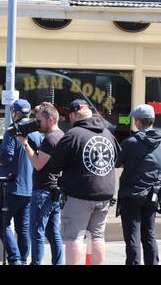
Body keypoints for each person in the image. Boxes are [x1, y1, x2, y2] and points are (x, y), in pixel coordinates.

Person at [50, 99, 120, 265]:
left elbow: (55, 165)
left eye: (69, 115)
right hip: (104, 194)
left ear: (74, 114)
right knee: (97, 236)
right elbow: (117, 159)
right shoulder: (107, 133)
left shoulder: (73, 135)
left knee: (75, 236)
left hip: (79, 194)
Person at [0, 99, 43, 265]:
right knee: (23, 227)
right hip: (29, 187)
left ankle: (15, 259)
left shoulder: (11, 130)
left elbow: (5, 157)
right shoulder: (37, 133)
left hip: (11, 186)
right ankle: (23, 259)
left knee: (1, 222)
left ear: (15, 113)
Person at [17, 102, 64, 265]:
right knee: (53, 234)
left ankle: (36, 263)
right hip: (54, 190)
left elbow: (38, 164)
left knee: (36, 232)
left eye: (39, 121)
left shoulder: (50, 138)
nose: (37, 125)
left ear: (50, 120)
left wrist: (25, 144)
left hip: (43, 191)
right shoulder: (62, 135)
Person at [116, 104, 160, 265]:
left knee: (132, 237)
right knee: (149, 236)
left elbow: (117, 162)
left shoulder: (130, 142)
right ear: (152, 121)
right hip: (152, 194)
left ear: (138, 122)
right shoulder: (160, 142)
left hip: (131, 194)